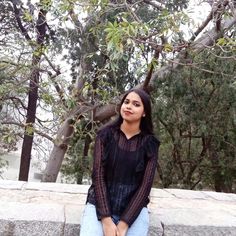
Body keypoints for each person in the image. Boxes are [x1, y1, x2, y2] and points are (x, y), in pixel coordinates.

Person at [80, 88, 160, 236]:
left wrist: (124, 223)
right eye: (126, 102)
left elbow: (145, 186)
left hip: (134, 208)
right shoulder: (105, 135)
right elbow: (98, 176)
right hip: (99, 204)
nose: (129, 106)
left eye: (136, 104)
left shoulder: (150, 143)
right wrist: (106, 218)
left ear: (144, 112)